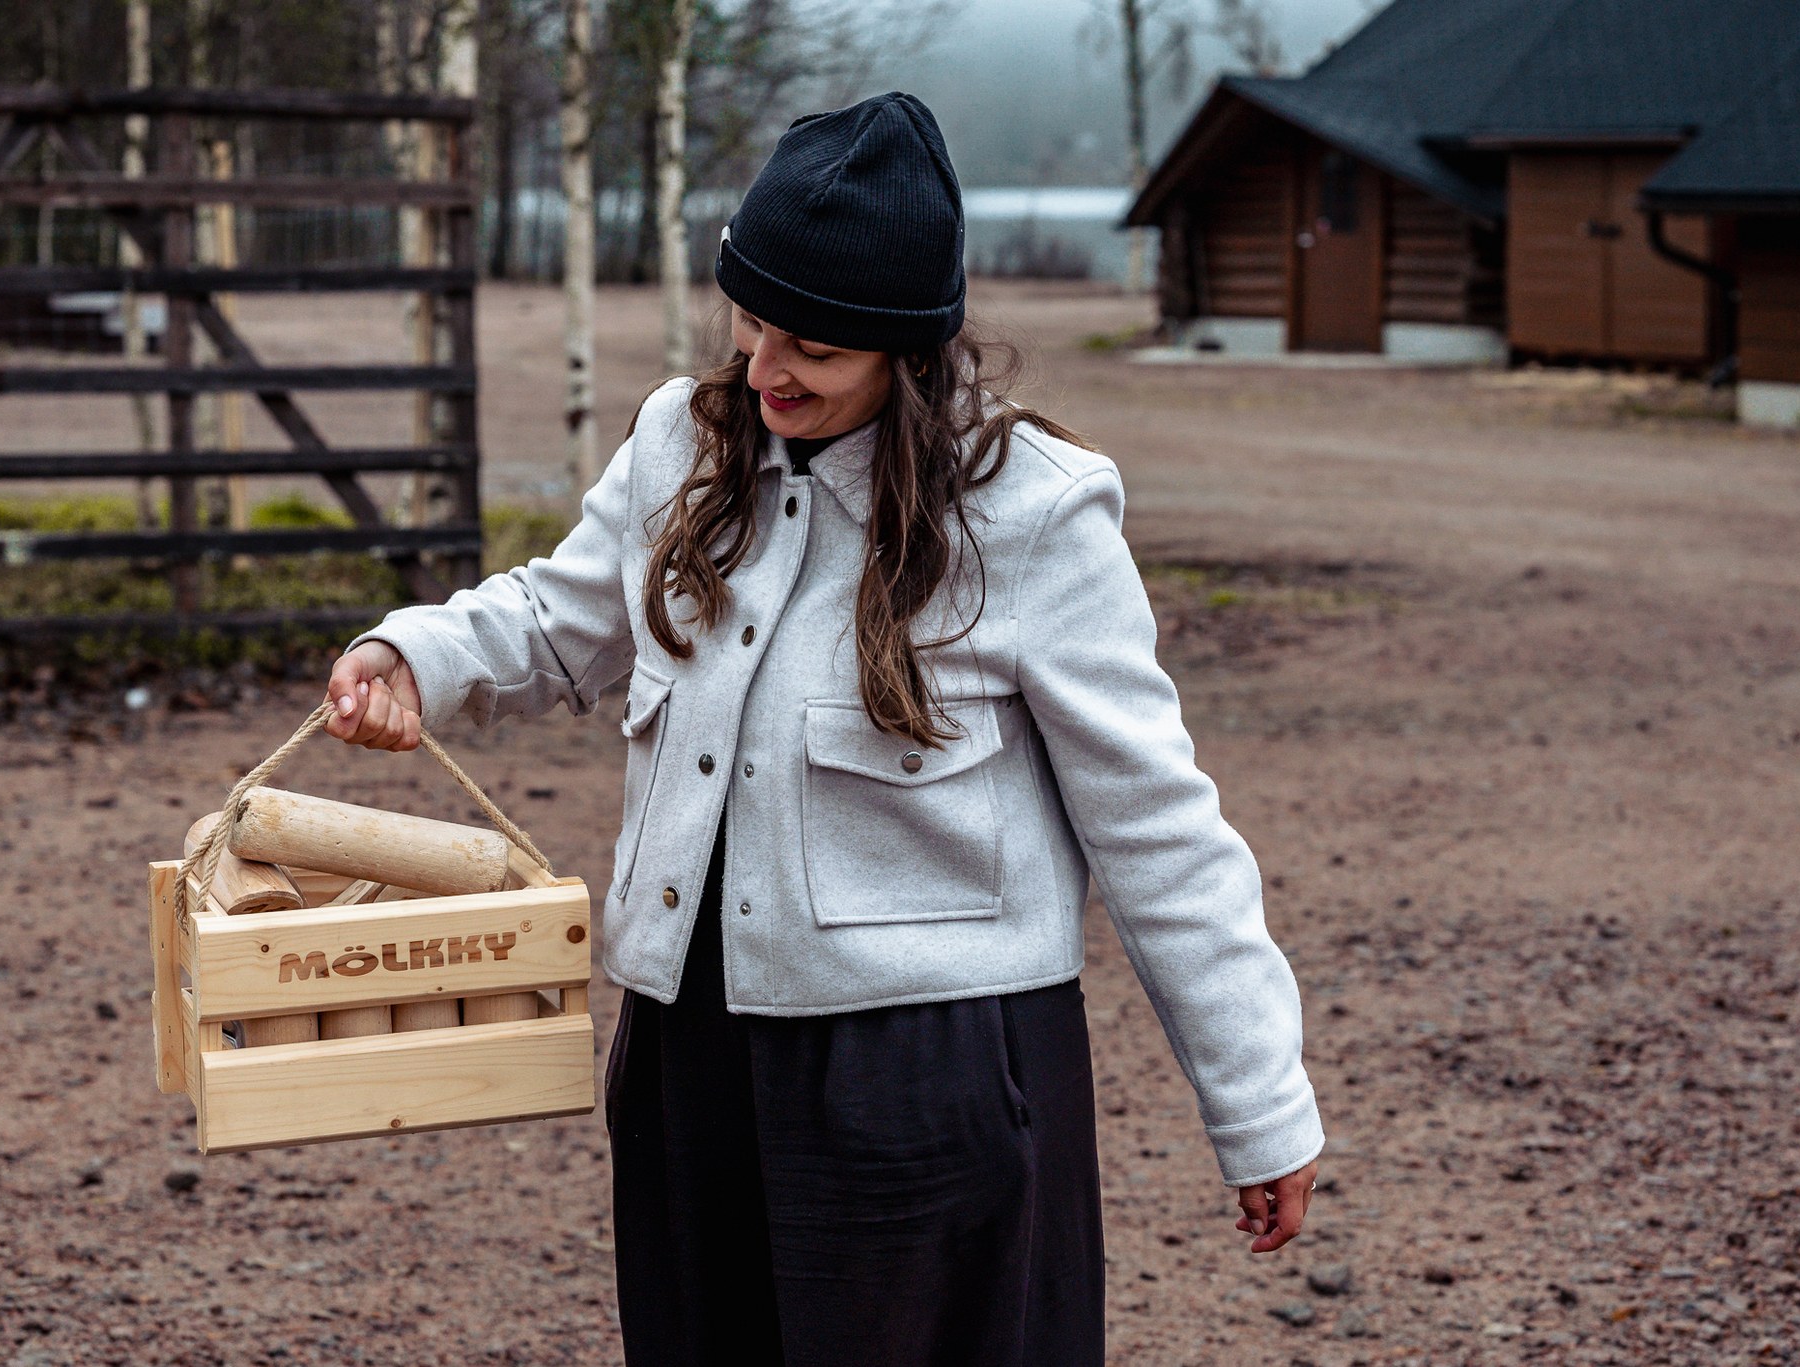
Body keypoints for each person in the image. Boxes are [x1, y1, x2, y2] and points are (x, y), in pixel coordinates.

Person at [323, 91, 1324, 1367]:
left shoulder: (1032, 515)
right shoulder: (678, 443)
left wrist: (1258, 1105)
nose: (762, 369)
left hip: (929, 1076)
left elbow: (1156, 826)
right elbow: (555, 615)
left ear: (904, 352)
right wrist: (411, 649)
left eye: (811, 347)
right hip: (687, 1052)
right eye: (750, 321)